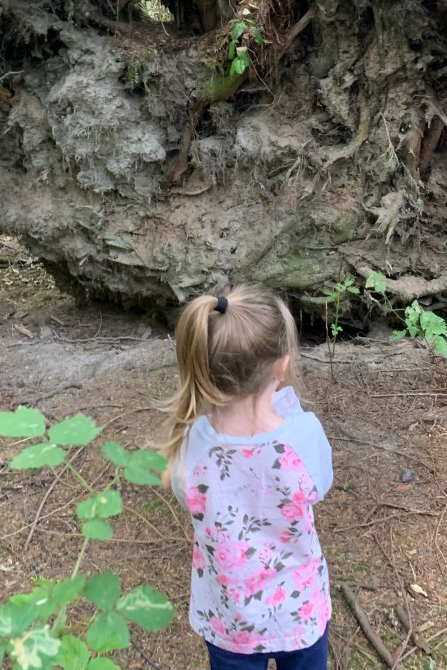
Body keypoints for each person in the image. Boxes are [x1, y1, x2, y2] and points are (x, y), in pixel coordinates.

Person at [164, 283, 333, 670]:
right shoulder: (302, 435)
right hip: (300, 613)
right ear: (281, 366)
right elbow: (320, 486)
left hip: (230, 619)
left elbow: (183, 495)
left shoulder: (192, 443)